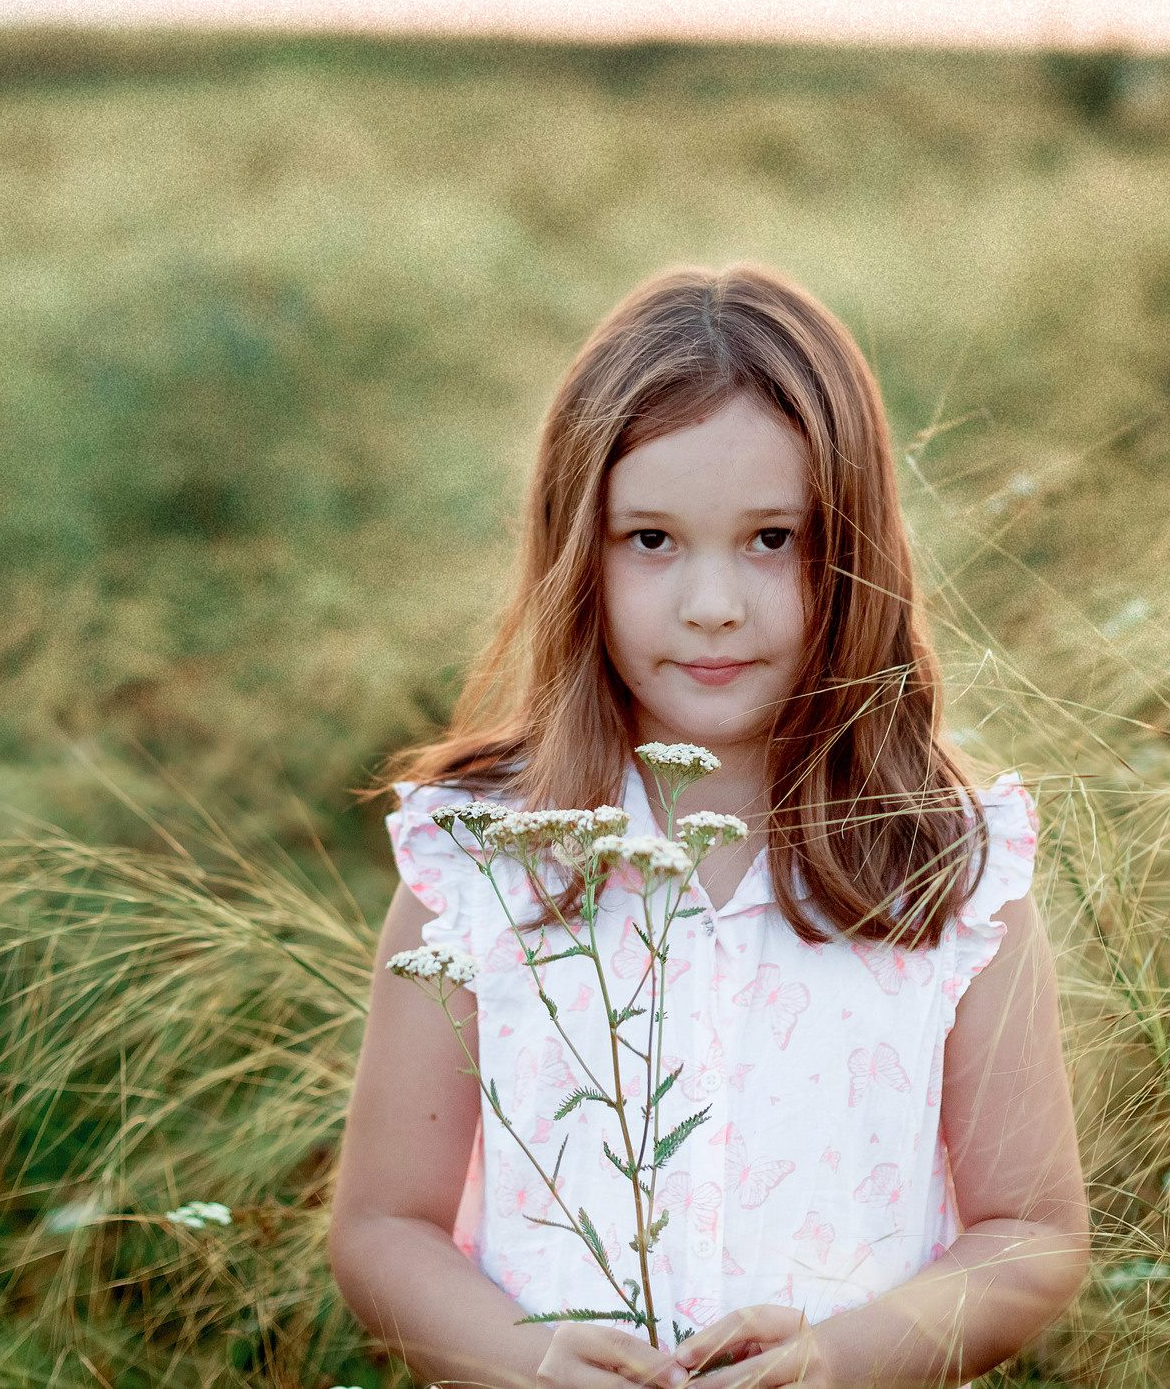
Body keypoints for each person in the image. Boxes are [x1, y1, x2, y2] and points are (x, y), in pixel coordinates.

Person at [328, 265, 1087, 1389]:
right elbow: (384, 1226)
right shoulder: (487, 858)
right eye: (652, 541)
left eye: (771, 539)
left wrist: (839, 1361)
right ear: (577, 550)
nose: (713, 604)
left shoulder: (947, 867)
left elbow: (1030, 1232)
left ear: (852, 550)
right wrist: (523, 1363)